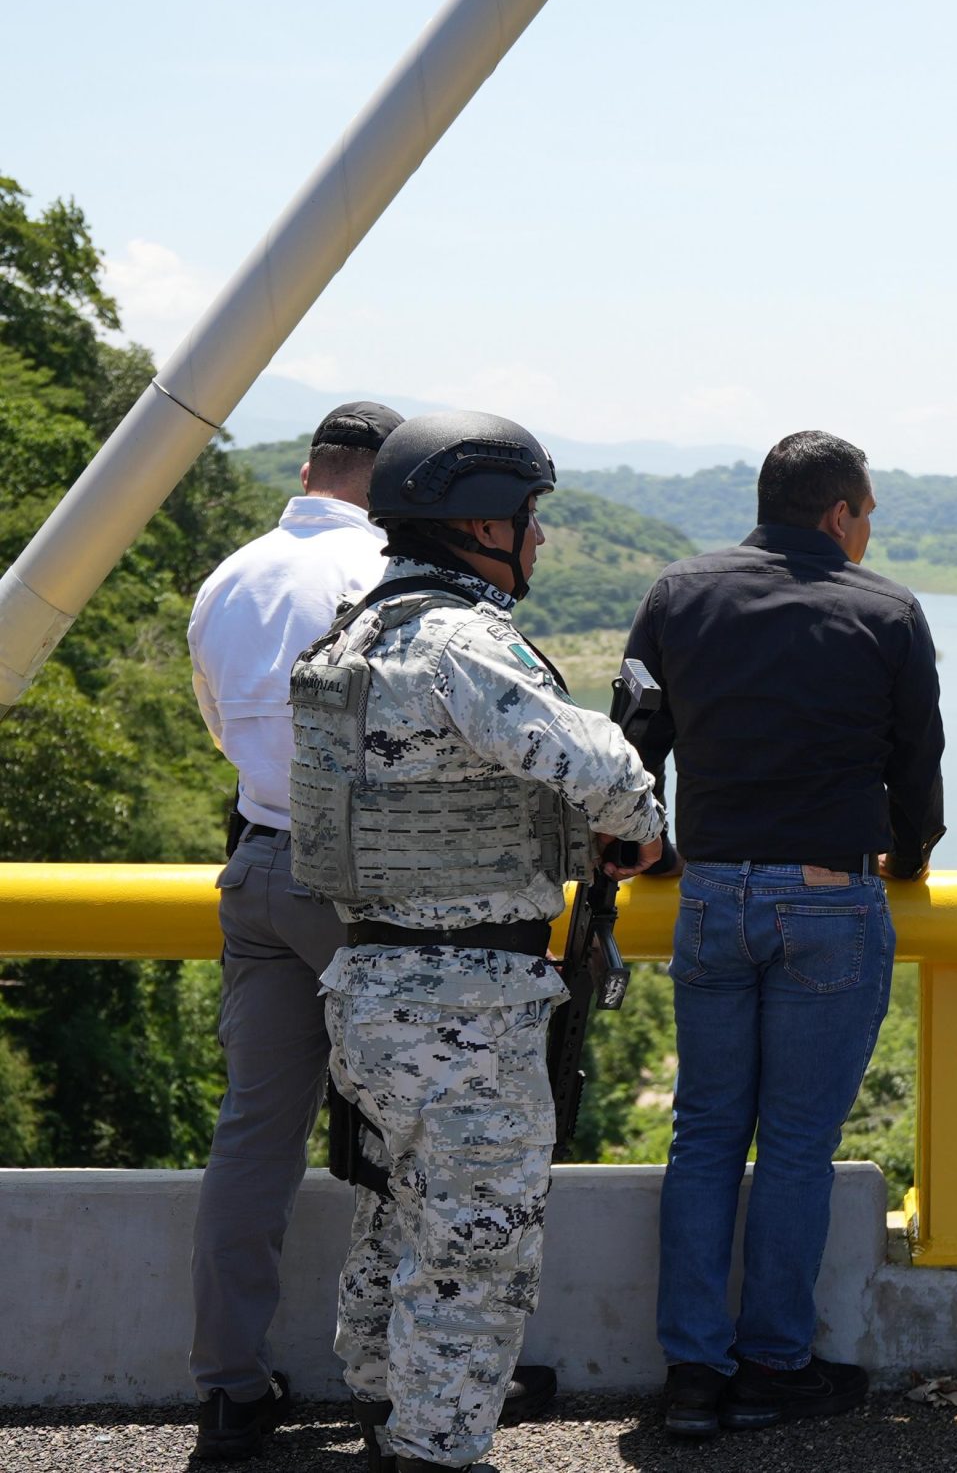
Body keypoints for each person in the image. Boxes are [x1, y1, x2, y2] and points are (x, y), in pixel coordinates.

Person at [293, 410, 663, 1473]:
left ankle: (388, 1404)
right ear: (481, 524)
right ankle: (436, 1449)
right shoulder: (461, 641)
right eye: (529, 516)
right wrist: (640, 829)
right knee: (477, 1249)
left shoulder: (353, 633)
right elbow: (609, 776)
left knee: (399, 1215)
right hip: (466, 1004)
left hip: (368, 981)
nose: (539, 537)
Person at [628, 431, 944, 1439]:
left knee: (705, 1131)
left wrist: (653, 852)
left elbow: (631, 743)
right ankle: (772, 1366)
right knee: (797, 1143)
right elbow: (917, 764)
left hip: (711, 893)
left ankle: (692, 1374)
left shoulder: (680, 593)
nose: (868, 531)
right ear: (841, 513)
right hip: (829, 897)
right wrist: (910, 860)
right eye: (868, 514)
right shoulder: (886, 609)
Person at [183, 400, 401, 1461]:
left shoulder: (227, 578)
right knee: (421, 1126)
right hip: (359, 880)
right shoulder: (384, 576)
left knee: (254, 1139)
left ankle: (230, 1386)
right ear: (391, 481)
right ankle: (414, 1376)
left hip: (258, 864)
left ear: (311, 470)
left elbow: (220, 728)